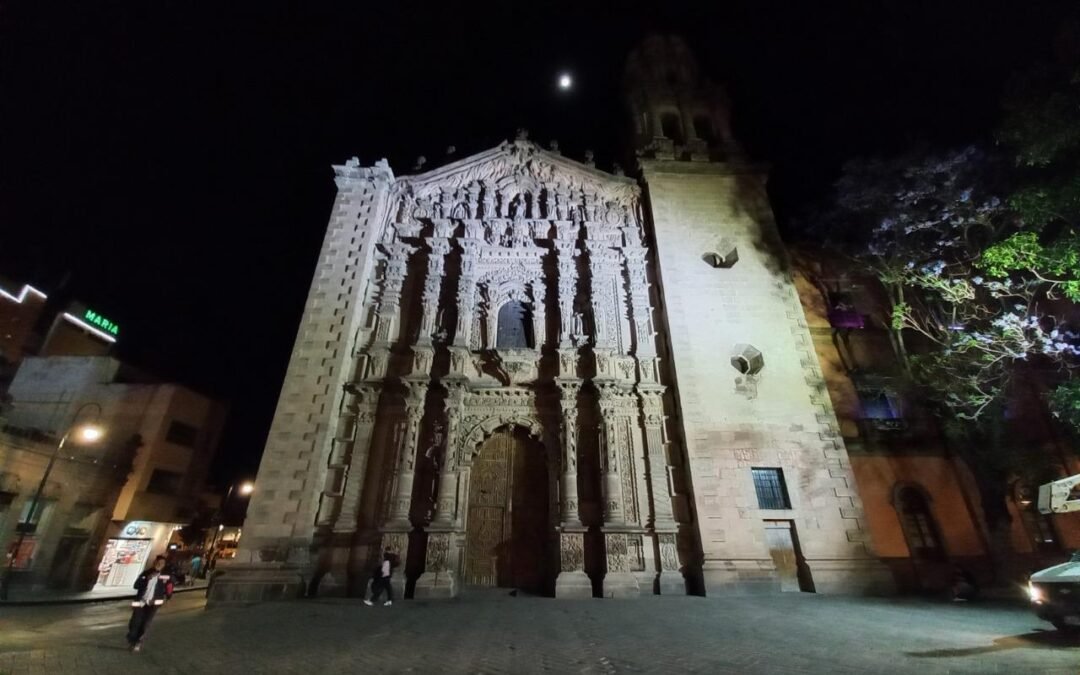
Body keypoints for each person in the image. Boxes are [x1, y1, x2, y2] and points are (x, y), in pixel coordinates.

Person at [126, 555, 172, 652]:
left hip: (153, 604)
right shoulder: (146, 573)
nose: (159, 565)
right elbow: (136, 585)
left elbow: (169, 586)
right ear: (154, 562)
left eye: (162, 563)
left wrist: (168, 595)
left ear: (164, 565)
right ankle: (132, 639)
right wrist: (146, 579)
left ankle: (138, 642)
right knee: (135, 622)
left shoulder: (165, 575)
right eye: (158, 562)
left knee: (145, 624)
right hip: (140, 602)